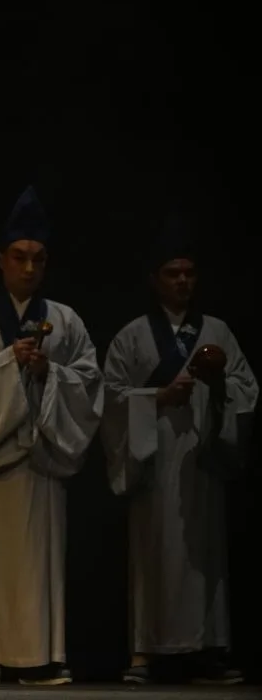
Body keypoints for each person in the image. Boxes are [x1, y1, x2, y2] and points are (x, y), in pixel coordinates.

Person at [0, 186, 104, 686]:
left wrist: (49, 371)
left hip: (43, 455)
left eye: (38, 258)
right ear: (0, 259)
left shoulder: (65, 320)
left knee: (40, 561)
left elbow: (88, 381)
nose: (29, 268)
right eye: (19, 257)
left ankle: (43, 656)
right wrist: (8, 362)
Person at [99, 215, 256, 685]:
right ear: (155, 279)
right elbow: (110, 398)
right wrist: (158, 397)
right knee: (153, 553)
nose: (183, 280)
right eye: (173, 273)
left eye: (189, 272)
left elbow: (247, 388)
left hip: (200, 458)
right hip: (153, 459)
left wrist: (219, 388)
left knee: (204, 555)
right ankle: (144, 652)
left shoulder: (218, 332)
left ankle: (208, 651)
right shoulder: (132, 336)